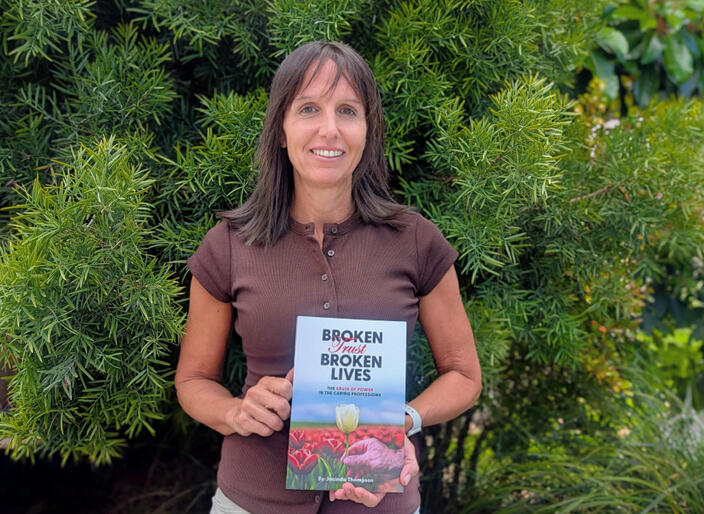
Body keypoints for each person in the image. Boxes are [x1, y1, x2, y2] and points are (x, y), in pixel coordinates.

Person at [176, 40, 482, 514]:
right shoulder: (229, 244)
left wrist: (399, 422)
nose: (329, 129)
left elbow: (464, 375)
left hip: (382, 501)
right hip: (253, 501)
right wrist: (235, 411)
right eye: (308, 109)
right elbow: (193, 380)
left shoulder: (415, 239)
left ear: (368, 130)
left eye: (347, 111)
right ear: (281, 129)